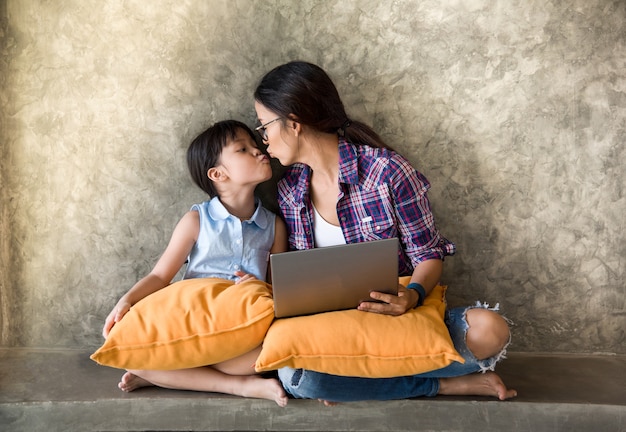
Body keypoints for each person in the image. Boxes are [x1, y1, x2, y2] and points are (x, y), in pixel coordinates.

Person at [253, 61, 517, 404]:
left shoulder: (387, 171)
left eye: (265, 127)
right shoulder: (290, 190)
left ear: (293, 123)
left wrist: (413, 295)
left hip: (401, 322)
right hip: (336, 331)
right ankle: (440, 384)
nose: (265, 142)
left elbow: (428, 256)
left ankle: (356, 384)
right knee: (299, 377)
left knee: (490, 330)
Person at [102, 120, 289, 407]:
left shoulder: (274, 226)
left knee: (269, 355)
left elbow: (278, 291)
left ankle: (167, 376)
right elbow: (160, 276)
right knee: (127, 351)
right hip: (193, 325)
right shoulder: (196, 220)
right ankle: (236, 387)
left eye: (255, 144)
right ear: (218, 174)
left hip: (241, 333)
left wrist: (259, 287)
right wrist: (125, 301)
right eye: (243, 149)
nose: (258, 150)